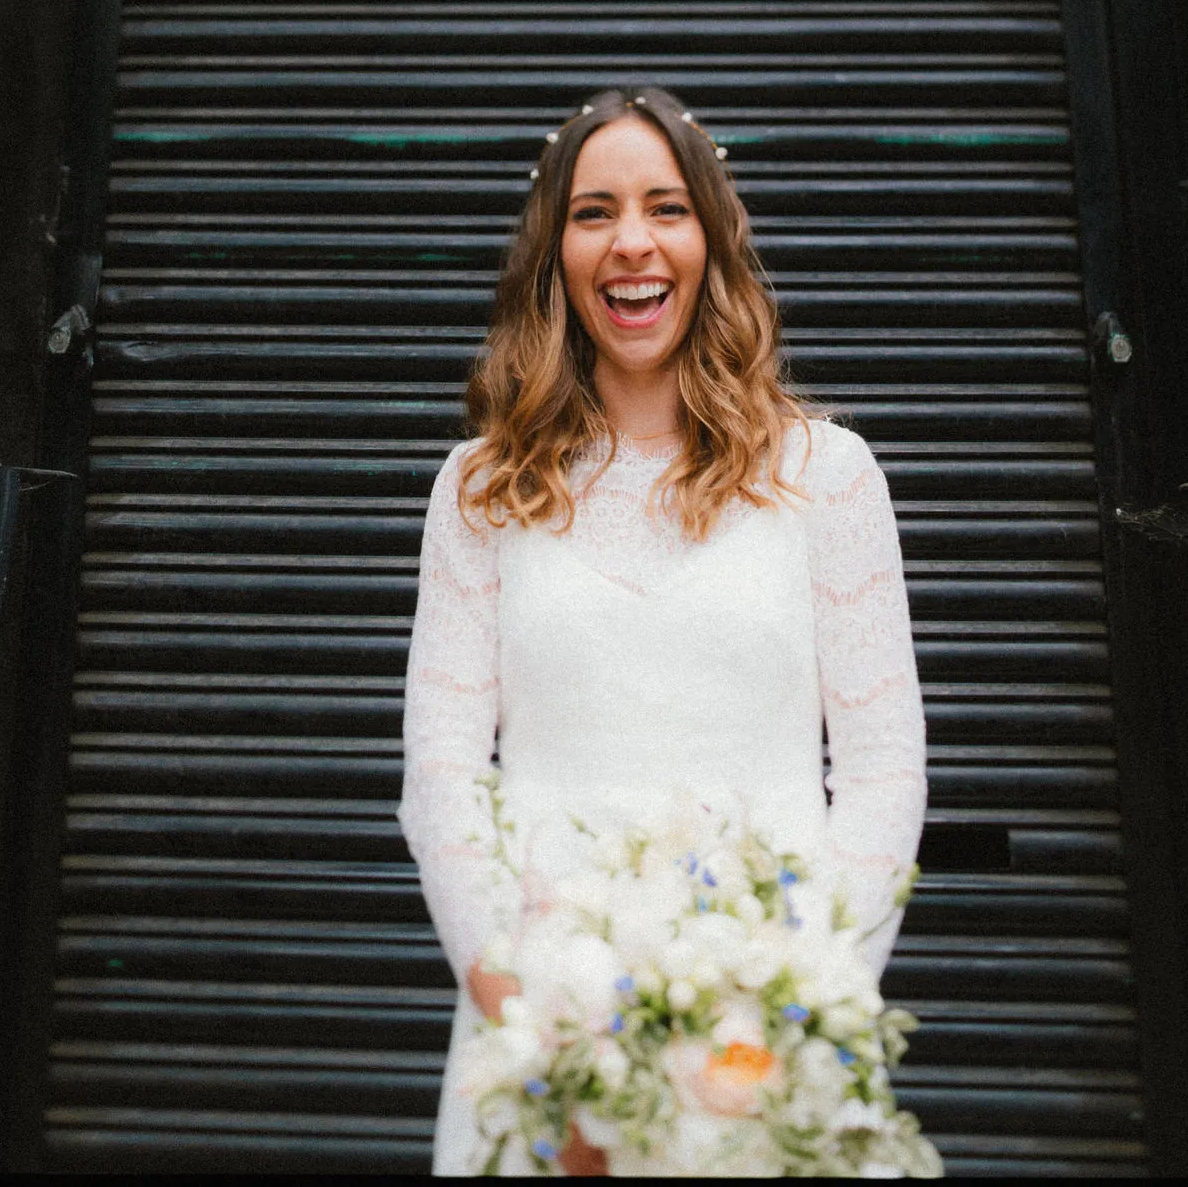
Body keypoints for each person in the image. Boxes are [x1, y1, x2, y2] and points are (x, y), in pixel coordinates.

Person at [398, 86, 928, 1176]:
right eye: (593, 212)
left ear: (712, 241)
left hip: (768, 1047)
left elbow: (883, 772)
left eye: (665, 207)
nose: (631, 242)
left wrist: (791, 1013)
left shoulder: (828, 476)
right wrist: (525, 1022)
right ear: (553, 255)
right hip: (541, 1043)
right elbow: (440, 774)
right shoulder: (479, 490)